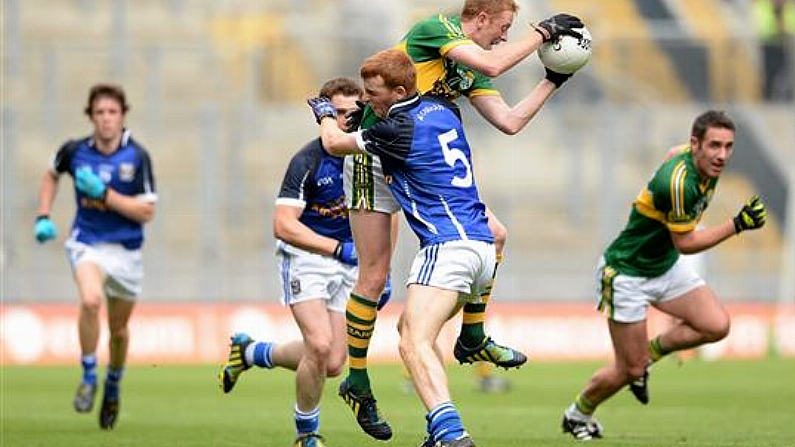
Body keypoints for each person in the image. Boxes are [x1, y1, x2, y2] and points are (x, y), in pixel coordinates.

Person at [337, 1, 585, 437]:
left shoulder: (468, 70)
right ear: (482, 18)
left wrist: (553, 80)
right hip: (373, 153)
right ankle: (357, 380)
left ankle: (472, 336)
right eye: (504, 27)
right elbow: (496, 60)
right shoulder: (435, 30)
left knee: (497, 233)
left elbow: (508, 121)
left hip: (417, 157)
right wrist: (543, 33)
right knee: (374, 276)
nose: (506, 36)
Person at [309, 47, 505, 447]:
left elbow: (332, 144)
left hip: (447, 250)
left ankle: (452, 433)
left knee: (411, 342)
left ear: (399, 91)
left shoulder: (394, 130)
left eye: (373, 93)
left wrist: (325, 113)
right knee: (413, 332)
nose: (365, 100)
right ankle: (440, 428)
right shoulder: (442, 110)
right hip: (483, 249)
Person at [560, 110, 767, 441]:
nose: (722, 155)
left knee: (716, 325)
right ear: (696, 144)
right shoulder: (679, 183)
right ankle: (577, 414)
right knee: (628, 369)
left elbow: (674, 153)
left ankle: (650, 355)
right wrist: (737, 225)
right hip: (627, 273)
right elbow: (686, 243)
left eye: (728, 146)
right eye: (714, 145)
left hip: (663, 265)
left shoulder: (694, 159)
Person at [217, 77, 390, 447]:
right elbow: (283, 225)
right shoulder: (308, 161)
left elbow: (389, 212)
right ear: (324, 116)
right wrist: (336, 249)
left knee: (332, 363)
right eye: (339, 113)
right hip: (308, 259)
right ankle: (306, 434)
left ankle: (249, 351)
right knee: (320, 344)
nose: (348, 120)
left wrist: (380, 270)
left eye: (354, 112)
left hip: (351, 264)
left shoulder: (369, 154)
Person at [33, 83, 157, 430]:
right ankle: (89, 375)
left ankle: (113, 383)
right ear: (91, 116)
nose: (106, 119)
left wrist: (104, 194)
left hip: (127, 252)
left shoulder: (137, 156)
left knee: (118, 330)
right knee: (89, 301)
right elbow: (50, 174)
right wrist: (43, 214)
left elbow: (145, 212)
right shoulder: (74, 151)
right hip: (88, 242)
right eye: (99, 112)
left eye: (112, 112)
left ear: (122, 116)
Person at [754, 0, 795, 100]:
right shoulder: (764, 6)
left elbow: (792, 24)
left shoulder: (788, 7)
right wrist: (780, 29)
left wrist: (785, 30)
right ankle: (767, 97)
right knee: (769, 72)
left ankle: (785, 97)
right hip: (769, 44)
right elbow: (763, 26)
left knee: (785, 72)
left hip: (785, 44)